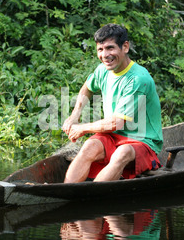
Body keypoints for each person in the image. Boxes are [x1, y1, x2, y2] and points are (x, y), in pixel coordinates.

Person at [62, 23, 163, 183]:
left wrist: (83, 128)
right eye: (100, 50)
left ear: (125, 47)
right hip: (113, 136)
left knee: (122, 153)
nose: (105, 55)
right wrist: (75, 116)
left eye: (110, 48)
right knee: (88, 148)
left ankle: (94, 197)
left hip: (142, 140)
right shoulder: (102, 70)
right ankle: (67, 193)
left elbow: (116, 123)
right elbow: (86, 89)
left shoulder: (138, 79)